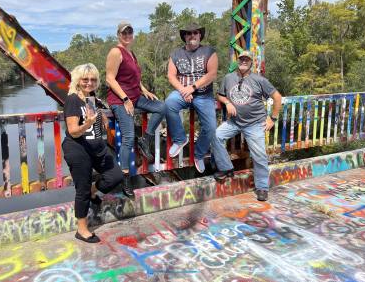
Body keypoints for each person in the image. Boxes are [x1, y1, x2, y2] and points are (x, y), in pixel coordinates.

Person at [62, 63, 123, 243]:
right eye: (85, 79)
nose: (89, 82)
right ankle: (82, 229)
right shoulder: (72, 100)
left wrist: (102, 116)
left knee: (116, 176)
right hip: (78, 148)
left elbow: (93, 113)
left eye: (93, 79)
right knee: (81, 189)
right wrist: (88, 124)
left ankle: (92, 190)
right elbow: (73, 131)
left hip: (96, 146)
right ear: (78, 80)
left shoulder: (91, 97)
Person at [106, 21, 166, 198]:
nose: (127, 36)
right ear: (118, 35)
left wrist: (145, 90)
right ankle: (126, 179)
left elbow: (134, 78)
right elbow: (110, 79)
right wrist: (124, 99)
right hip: (119, 100)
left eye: (129, 32)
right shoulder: (115, 52)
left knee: (161, 107)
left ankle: (145, 140)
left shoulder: (130, 53)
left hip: (135, 97)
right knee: (129, 137)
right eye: (124, 33)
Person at [212, 50, 282, 201]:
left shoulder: (259, 80)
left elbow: (277, 97)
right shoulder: (228, 78)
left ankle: (262, 187)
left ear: (251, 63)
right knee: (215, 136)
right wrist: (227, 102)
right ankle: (226, 167)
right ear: (238, 61)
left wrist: (273, 118)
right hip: (234, 122)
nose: (244, 61)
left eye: (247, 60)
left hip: (255, 124)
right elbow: (220, 94)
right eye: (241, 59)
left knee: (259, 156)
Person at [165, 22, 218, 173]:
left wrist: (192, 88)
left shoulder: (209, 51)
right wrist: (183, 91)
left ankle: (199, 155)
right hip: (183, 93)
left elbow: (212, 74)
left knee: (211, 128)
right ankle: (180, 139)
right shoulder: (176, 54)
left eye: (195, 33)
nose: (192, 35)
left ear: (200, 35)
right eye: (189, 33)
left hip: (203, 95)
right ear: (185, 37)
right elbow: (171, 75)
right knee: (169, 103)